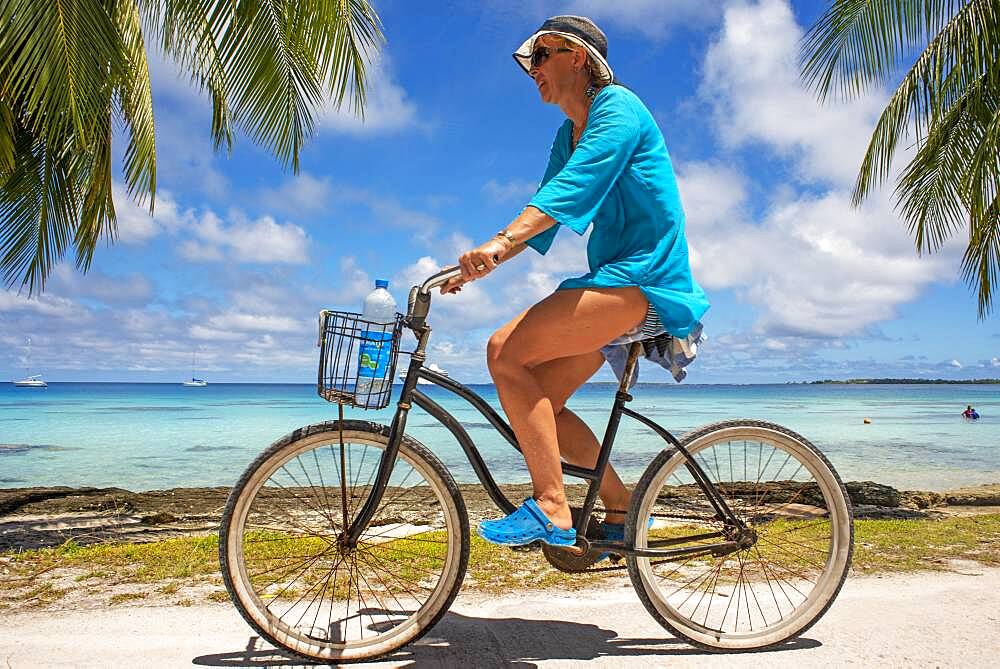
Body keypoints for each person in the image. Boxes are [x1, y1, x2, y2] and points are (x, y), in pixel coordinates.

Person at [441, 15, 709, 548]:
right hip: (613, 281)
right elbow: (547, 207)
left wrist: (497, 242)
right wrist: (480, 264)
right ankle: (622, 506)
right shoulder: (568, 132)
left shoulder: (619, 109)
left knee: (504, 352)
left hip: (645, 279)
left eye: (541, 57)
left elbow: (574, 186)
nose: (532, 70)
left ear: (577, 56)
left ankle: (552, 505)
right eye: (529, 63)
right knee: (544, 402)